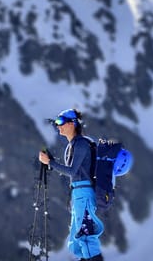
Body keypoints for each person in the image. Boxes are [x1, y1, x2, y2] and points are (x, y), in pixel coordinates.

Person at [38, 109, 104, 261]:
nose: (58, 126)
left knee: (85, 237)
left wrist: (51, 162)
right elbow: (74, 171)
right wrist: (51, 162)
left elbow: (73, 171)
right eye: (56, 123)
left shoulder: (81, 144)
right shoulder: (73, 145)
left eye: (61, 122)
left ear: (72, 123)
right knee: (76, 240)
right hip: (78, 194)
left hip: (84, 194)